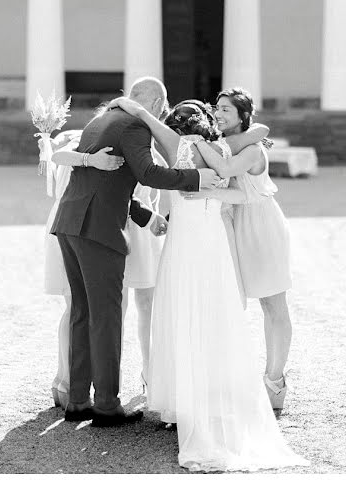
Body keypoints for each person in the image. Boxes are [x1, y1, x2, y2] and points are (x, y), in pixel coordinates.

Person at [109, 97, 308, 472]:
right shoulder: (210, 146)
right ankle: (187, 396)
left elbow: (239, 189)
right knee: (197, 309)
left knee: (200, 310)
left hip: (207, 237)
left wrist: (127, 106)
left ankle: (209, 394)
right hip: (192, 237)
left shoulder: (211, 148)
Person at [50, 77, 221, 427]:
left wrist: (145, 216)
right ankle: (108, 406)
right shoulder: (134, 126)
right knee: (107, 317)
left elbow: (108, 183)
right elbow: (148, 173)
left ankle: (79, 400)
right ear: (156, 104)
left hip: (70, 224)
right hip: (97, 231)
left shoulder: (101, 121)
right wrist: (195, 179)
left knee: (82, 313)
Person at [194, 88, 295, 412]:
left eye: (226, 109)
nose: (219, 113)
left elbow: (224, 170)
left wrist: (196, 143)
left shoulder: (251, 149)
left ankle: (275, 380)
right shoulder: (226, 143)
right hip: (235, 225)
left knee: (272, 302)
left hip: (262, 226)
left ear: (242, 117)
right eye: (217, 108)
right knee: (233, 302)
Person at [37, 130, 125, 409]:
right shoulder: (86, 151)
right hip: (79, 226)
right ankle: (71, 384)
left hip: (66, 223)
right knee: (81, 308)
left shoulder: (78, 149)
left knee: (75, 307)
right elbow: (61, 158)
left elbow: (57, 161)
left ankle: (66, 383)